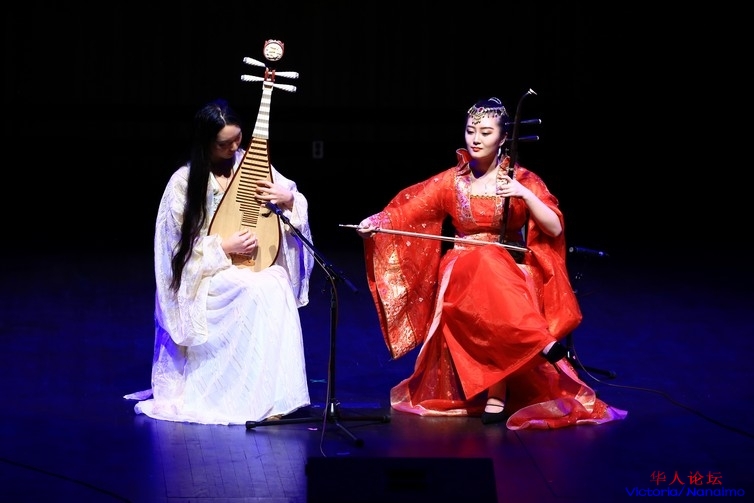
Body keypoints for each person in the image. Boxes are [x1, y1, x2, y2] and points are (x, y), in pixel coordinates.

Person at [354, 97, 627, 429]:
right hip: (462, 267)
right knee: (482, 258)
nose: (475, 139)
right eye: (471, 131)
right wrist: (376, 222)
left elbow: (554, 228)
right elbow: (407, 211)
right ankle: (538, 344)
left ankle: (501, 386)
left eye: (485, 132)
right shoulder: (452, 181)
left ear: (503, 137)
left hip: (507, 269)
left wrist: (524, 194)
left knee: (492, 263)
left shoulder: (522, 178)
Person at [124, 98, 314, 425]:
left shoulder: (250, 165)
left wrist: (290, 199)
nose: (234, 148)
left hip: (248, 267)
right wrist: (223, 247)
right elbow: (174, 248)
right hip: (206, 276)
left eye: (237, 139)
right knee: (255, 290)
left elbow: (290, 195)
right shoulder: (184, 182)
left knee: (276, 282)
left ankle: (276, 398)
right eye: (224, 144)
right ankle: (236, 397)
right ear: (206, 143)